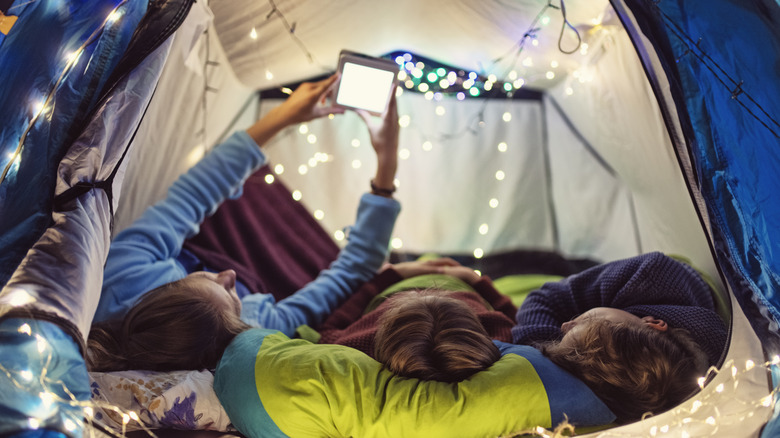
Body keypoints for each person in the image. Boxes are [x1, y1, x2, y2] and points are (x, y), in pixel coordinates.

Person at [87, 74, 402, 372]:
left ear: (167, 286)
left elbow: (194, 194)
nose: (229, 274)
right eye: (232, 299)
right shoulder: (254, 326)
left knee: (244, 192)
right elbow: (352, 270)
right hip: (273, 279)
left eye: (208, 282)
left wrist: (284, 116)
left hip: (211, 243)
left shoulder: (123, 275)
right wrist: (387, 163)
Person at [512, 251, 728, 423]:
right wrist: (544, 349)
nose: (565, 324)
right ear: (652, 323)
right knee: (558, 264)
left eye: (582, 320)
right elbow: (541, 298)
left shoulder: (649, 274)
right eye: (582, 321)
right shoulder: (647, 274)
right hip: (673, 277)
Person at [315, 257, 518, 381]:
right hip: (459, 282)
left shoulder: (357, 343)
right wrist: (473, 278)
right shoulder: (499, 330)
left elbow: (326, 331)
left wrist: (393, 274)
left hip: (399, 283)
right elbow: (519, 320)